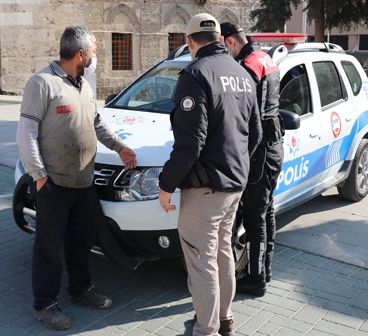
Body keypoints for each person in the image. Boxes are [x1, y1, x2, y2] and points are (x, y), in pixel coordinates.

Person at [16, 26, 137, 331]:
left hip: (84, 182)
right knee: (49, 248)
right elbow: (26, 133)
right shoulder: (42, 83)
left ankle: (81, 290)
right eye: (94, 52)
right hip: (53, 183)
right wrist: (40, 177)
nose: (95, 57)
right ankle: (44, 305)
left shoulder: (84, 84)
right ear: (80, 54)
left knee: (81, 242)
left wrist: (120, 147)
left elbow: (96, 123)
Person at [158, 13, 262, 336]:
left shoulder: (195, 74)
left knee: (202, 263)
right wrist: (239, 170)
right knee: (223, 253)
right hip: (234, 186)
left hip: (204, 191)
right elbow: (256, 134)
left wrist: (165, 184)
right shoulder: (243, 74)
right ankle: (225, 320)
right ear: (220, 38)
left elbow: (190, 144)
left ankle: (206, 330)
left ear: (190, 42)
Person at [220, 22, 284, 297]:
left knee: (255, 215)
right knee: (266, 209)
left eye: (223, 48)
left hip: (259, 150)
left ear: (230, 41)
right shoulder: (266, 58)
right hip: (274, 144)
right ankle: (265, 269)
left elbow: (246, 117)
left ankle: (255, 279)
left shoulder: (247, 66)